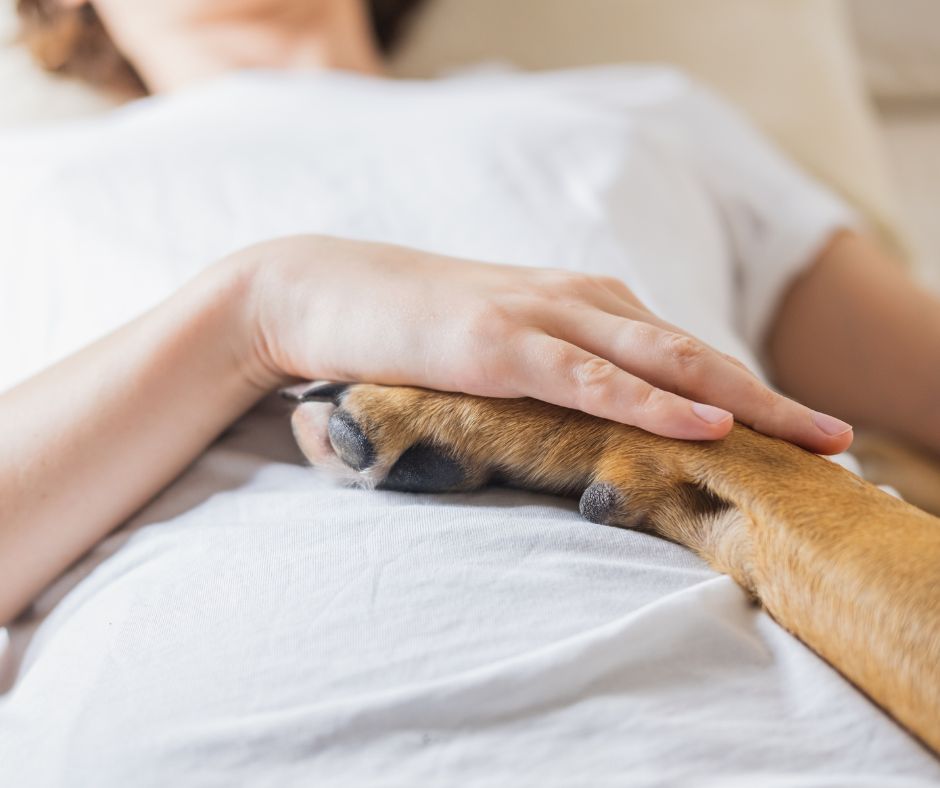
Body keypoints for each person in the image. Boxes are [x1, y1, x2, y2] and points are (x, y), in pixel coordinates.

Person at [2, 3, 940, 779]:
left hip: (774, 732)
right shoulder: (24, 184)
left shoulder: (639, 111)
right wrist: (253, 311)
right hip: (196, 742)